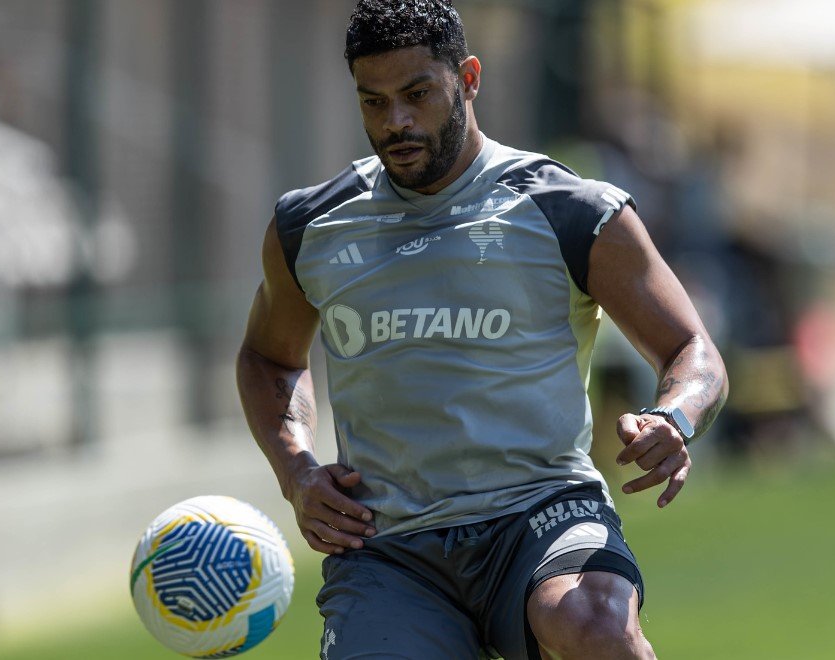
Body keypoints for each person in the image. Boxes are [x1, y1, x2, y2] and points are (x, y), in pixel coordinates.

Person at [237, 1, 727, 658]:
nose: (396, 122)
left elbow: (693, 349)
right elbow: (269, 359)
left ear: (468, 78)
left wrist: (675, 416)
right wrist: (296, 470)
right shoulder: (311, 227)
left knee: (595, 624)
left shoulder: (571, 212)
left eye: (417, 94)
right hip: (389, 545)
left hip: (542, 514)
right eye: (373, 102)